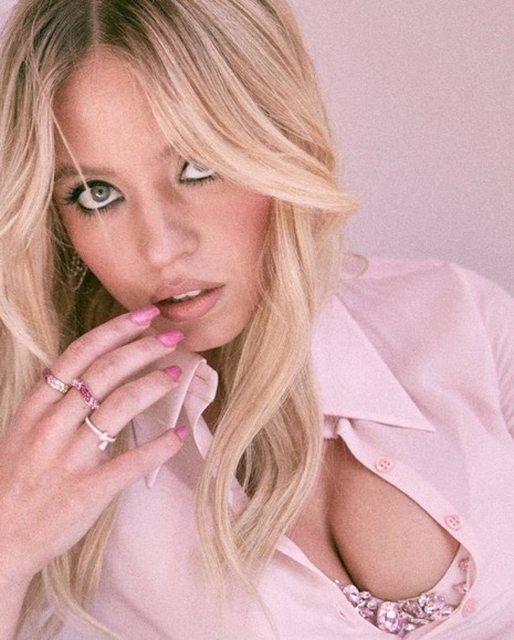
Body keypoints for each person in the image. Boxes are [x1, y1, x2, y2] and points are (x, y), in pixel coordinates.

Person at [0, 1, 513, 638]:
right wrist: (8, 548)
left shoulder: (460, 317)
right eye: (97, 194)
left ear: (279, 139)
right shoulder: (31, 456)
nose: (161, 247)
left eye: (197, 167)